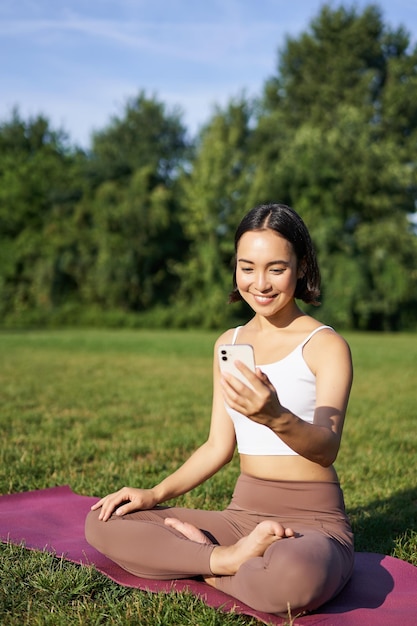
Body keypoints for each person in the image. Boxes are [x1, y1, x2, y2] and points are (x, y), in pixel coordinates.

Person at [85, 202, 354, 617]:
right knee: (103, 521)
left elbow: (326, 448)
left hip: (312, 522)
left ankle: (207, 563)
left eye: (276, 269)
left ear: (301, 268)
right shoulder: (228, 343)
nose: (260, 283)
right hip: (243, 514)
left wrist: (275, 416)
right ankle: (227, 559)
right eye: (247, 268)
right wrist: (154, 493)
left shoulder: (325, 345)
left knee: (294, 579)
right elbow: (217, 446)